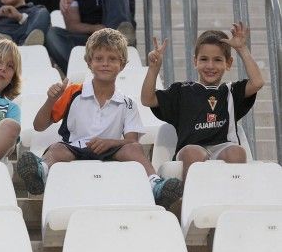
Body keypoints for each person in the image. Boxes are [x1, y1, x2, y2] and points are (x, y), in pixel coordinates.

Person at [17, 28, 183, 209]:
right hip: (74, 147)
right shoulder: (73, 92)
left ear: (123, 64)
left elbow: (131, 141)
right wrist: (51, 100)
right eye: (98, 59)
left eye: (112, 59)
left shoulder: (127, 103)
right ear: (89, 62)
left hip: (110, 152)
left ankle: (155, 186)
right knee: (57, 148)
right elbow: (39, 126)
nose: (105, 64)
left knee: (134, 149)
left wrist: (110, 143)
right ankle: (40, 172)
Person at [141, 22, 264, 181]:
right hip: (191, 148)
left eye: (218, 60)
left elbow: (257, 82)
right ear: (195, 61)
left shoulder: (232, 91)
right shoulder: (181, 91)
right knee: (193, 152)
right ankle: (187, 200)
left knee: (237, 152)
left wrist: (241, 48)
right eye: (204, 59)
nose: (210, 66)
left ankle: (234, 201)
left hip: (224, 147)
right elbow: (147, 99)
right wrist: (153, 69)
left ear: (228, 63)